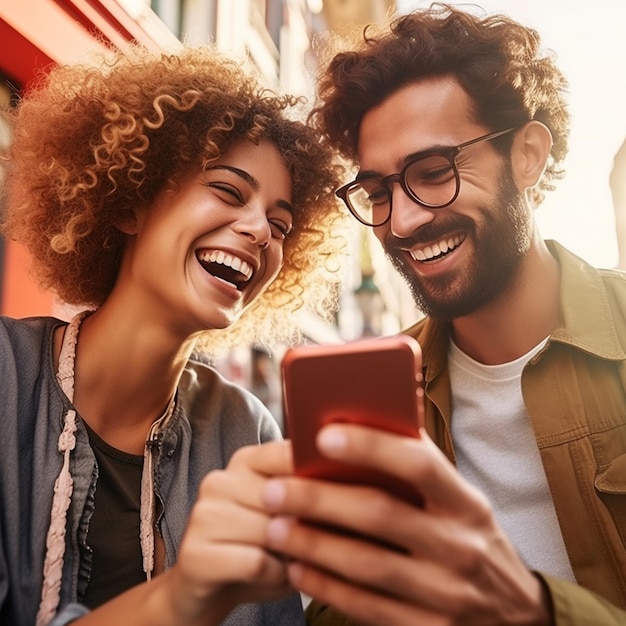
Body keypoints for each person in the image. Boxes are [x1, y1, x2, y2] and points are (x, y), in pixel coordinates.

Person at [247, 4, 626, 625]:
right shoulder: (374, 400)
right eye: (378, 192)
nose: (402, 220)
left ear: (527, 155)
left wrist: (527, 607)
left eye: (433, 172)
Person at [0, 43, 346, 625]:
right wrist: (186, 594)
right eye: (229, 192)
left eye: (281, 224)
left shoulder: (246, 431)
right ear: (130, 201)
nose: (262, 230)